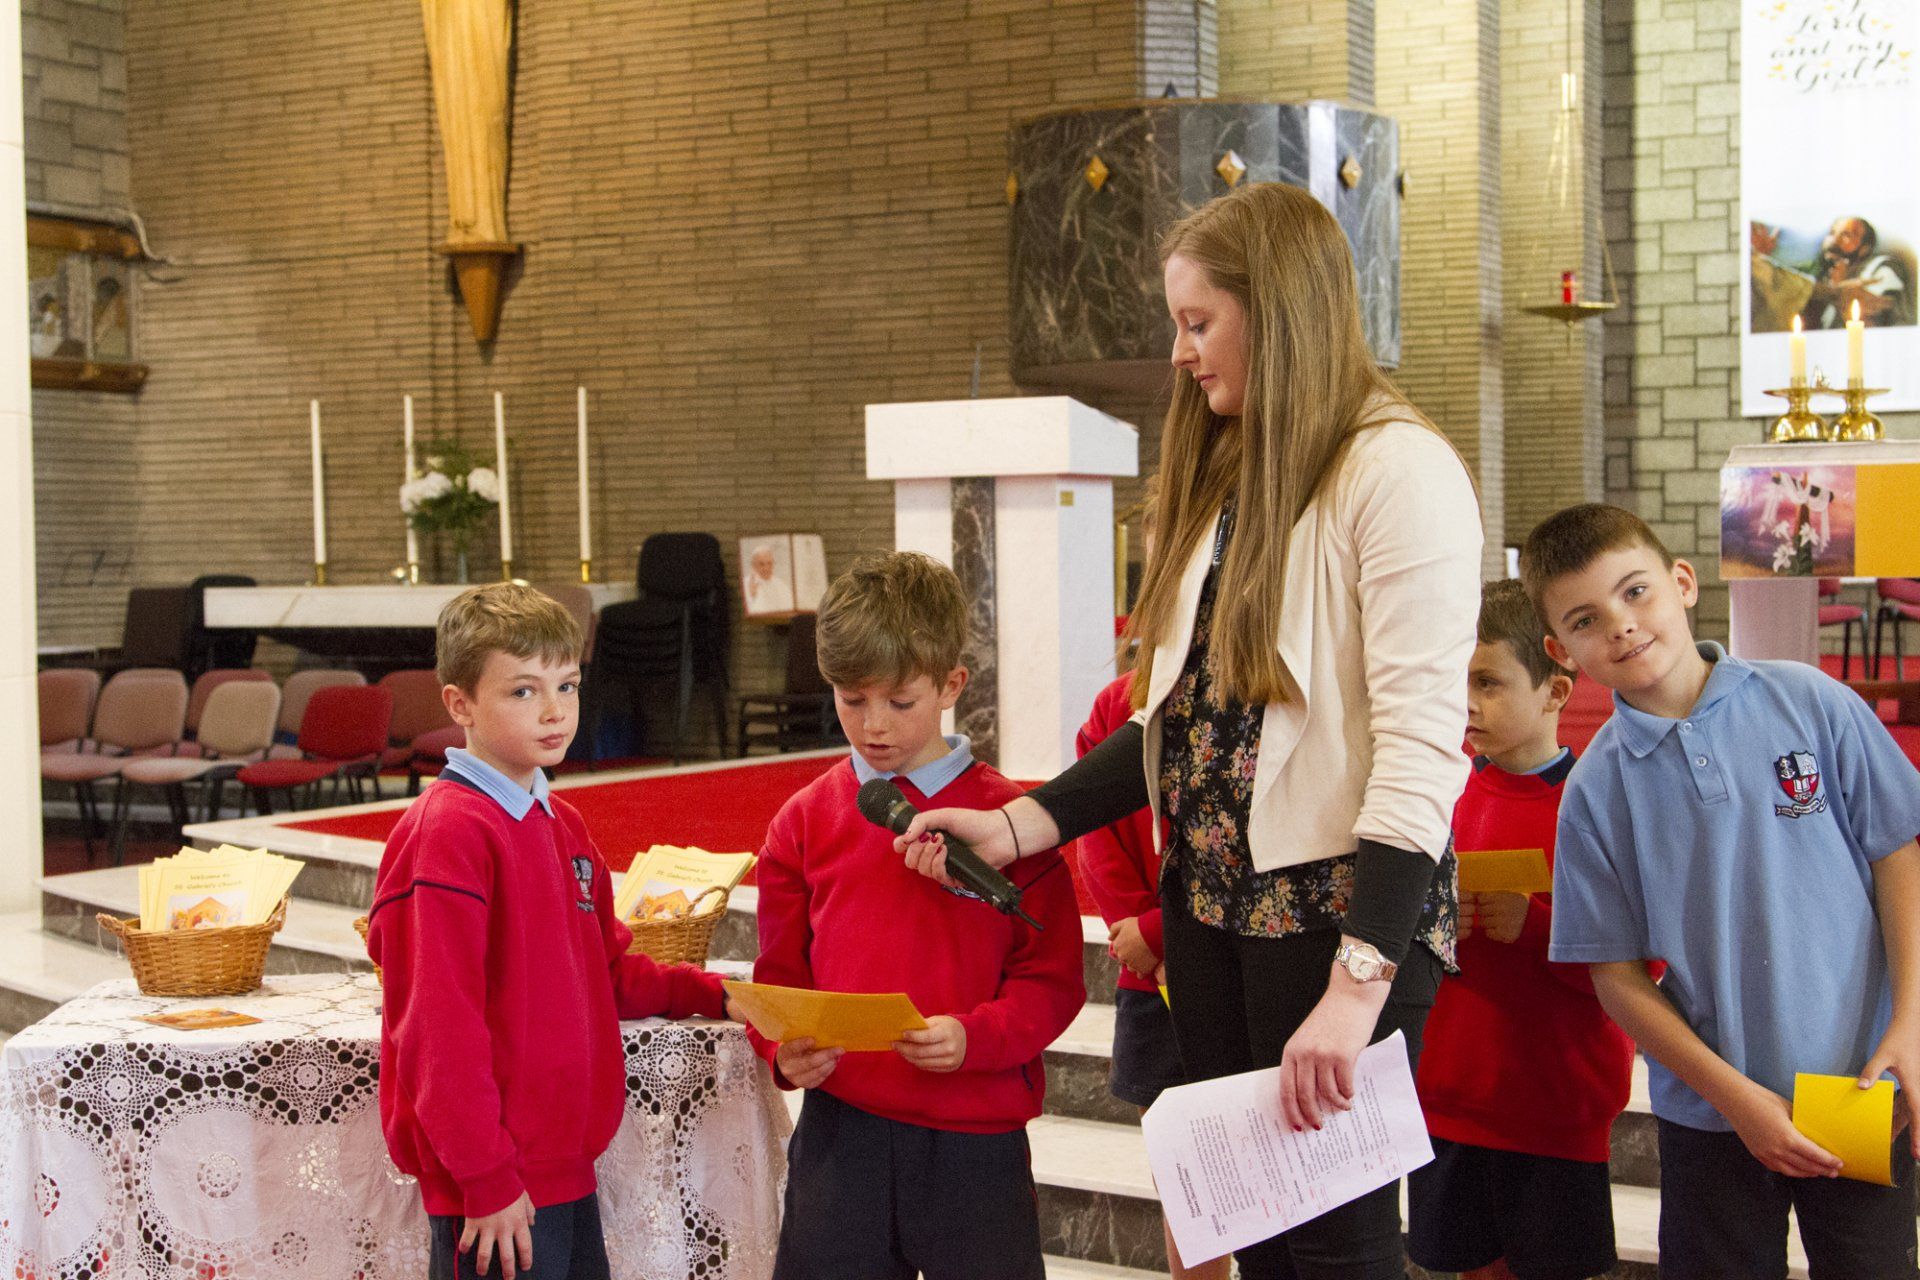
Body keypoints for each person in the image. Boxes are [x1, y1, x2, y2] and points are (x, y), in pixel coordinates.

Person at [897, 181, 1484, 1278]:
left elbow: (1419, 748)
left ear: (1281, 309)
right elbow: (1186, 724)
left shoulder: (1397, 469)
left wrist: (1357, 984)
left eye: (1198, 320)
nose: (1179, 352)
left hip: (1337, 913)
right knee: (1256, 1226)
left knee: (1342, 1240)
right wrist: (1023, 823)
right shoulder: (1234, 474)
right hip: (1212, 908)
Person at [1522, 503, 1920, 1279]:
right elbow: (1618, 977)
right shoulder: (1597, 789)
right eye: (1587, 618)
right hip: (1710, 1111)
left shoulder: (1808, 701)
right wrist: (1738, 1101)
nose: (1623, 625)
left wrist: (1909, 1020)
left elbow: (1896, 853)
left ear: (1682, 582)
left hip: (1860, 1082)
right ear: (1558, 650)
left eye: (1636, 592)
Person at [367, 583, 734, 1280]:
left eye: (566, 686)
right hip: (499, 1184)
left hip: (564, 1167)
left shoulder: (559, 823)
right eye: (523, 692)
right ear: (459, 704)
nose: (554, 711)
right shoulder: (447, 832)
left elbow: (609, 971)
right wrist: (485, 1176)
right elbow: (438, 1026)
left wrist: (717, 994)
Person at [749, 551, 1085, 1280]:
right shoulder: (803, 822)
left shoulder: (1013, 823)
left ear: (951, 684)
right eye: (850, 698)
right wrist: (783, 1048)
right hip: (843, 1132)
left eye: (900, 702)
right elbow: (777, 979)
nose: (873, 726)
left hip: (974, 1134)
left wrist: (977, 1035)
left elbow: (1054, 981)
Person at [1407, 579, 1631, 1280]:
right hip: (1447, 1094)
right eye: (1455, 680)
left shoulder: (1595, 805)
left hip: (1553, 1103)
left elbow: (1642, 963)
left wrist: (1536, 929)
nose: (1466, 702)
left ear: (1555, 692)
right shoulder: (1435, 795)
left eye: (1488, 682)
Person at [1076, 668, 1230, 1280]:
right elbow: (1093, 824)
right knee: (1186, 1179)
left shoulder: (1248, 688)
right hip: (1153, 978)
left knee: (1265, 1171)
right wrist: (1134, 927)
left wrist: (1161, 932)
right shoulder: (1119, 701)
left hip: (1240, 961)